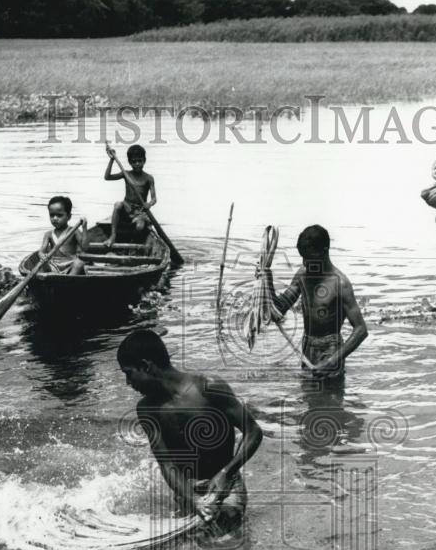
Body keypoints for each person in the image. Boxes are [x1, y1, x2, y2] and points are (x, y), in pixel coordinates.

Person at [117, 329, 262, 526]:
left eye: (129, 374)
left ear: (145, 366)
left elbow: (253, 432)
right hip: (186, 490)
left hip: (226, 484)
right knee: (187, 547)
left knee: (226, 540)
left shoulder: (208, 387)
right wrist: (193, 499)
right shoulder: (147, 409)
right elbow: (167, 464)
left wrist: (226, 473)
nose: (127, 383)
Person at [263, 225, 368, 379]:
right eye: (303, 257)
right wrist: (267, 280)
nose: (305, 262)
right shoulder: (303, 275)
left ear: (324, 251)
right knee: (309, 397)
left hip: (331, 350)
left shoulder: (340, 284)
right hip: (307, 347)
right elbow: (279, 309)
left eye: (309, 257)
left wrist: (332, 361)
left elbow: (361, 330)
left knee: (330, 398)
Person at [104, 143, 156, 247]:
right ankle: (113, 236)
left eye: (139, 161)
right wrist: (112, 160)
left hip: (139, 212)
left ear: (144, 161)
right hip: (126, 208)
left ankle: (133, 243)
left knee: (140, 227)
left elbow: (154, 198)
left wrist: (149, 204)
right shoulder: (126, 174)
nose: (137, 164)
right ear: (129, 162)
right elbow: (107, 177)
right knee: (117, 204)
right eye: (133, 162)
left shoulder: (148, 178)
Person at [40, 196, 88, 275]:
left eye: (59, 215)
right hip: (54, 265)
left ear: (69, 217)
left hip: (70, 264)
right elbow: (41, 251)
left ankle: (68, 280)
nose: (55, 218)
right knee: (41, 264)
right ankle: (54, 276)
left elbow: (85, 247)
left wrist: (84, 228)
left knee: (79, 263)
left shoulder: (74, 231)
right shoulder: (48, 234)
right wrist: (43, 256)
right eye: (52, 215)